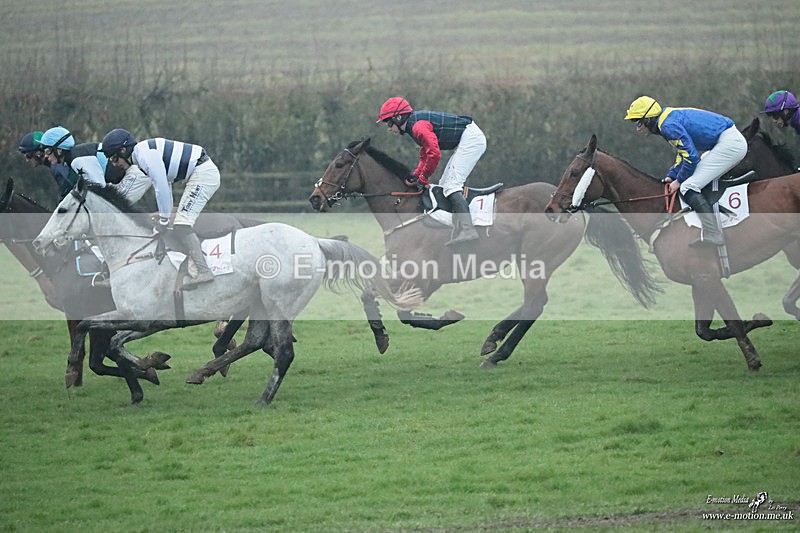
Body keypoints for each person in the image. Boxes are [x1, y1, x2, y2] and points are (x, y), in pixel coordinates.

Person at [99, 128, 220, 288]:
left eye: (114, 158)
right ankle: (186, 267)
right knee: (173, 225)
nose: (115, 164)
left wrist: (164, 219)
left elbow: (161, 186)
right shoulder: (140, 156)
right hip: (199, 172)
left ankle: (204, 270)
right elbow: (166, 185)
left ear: (123, 150)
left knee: (182, 225)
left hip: (203, 174)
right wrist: (165, 217)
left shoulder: (144, 156)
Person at [624, 96, 747, 247]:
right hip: (724, 141)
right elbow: (683, 153)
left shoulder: (667, 126)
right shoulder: (666, 118)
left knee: (687, 186)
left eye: (638, 122)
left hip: (729, 144)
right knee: (692, 180)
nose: (637, 128)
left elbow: (691, 157)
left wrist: (679, 180)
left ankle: (714, 233)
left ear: (648, 119)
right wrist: (672, 175)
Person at [376, 97, 486, 246]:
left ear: (398, 117)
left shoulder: (418, 127)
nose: (389, 128)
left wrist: (424, 178)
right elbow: (425, 155)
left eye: (389, 123)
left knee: (452, 185)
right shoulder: (412, 126)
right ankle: (457, 227)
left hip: (472, 139)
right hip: (466, 139)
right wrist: (416, 175)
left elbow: (434, 154)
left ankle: (468, 230)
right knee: (443, 184)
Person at [39, 126, 109, 188]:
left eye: (47, 151)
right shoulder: (72, 158)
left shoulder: (76, 161)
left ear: (59, 150)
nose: (45, 156)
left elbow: (98, 190)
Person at [18, 130, 73, 200]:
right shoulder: (57, 164)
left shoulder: (56, 167)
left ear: (39, 153)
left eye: (28, 156)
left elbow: (68, 193)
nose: (27, 160)